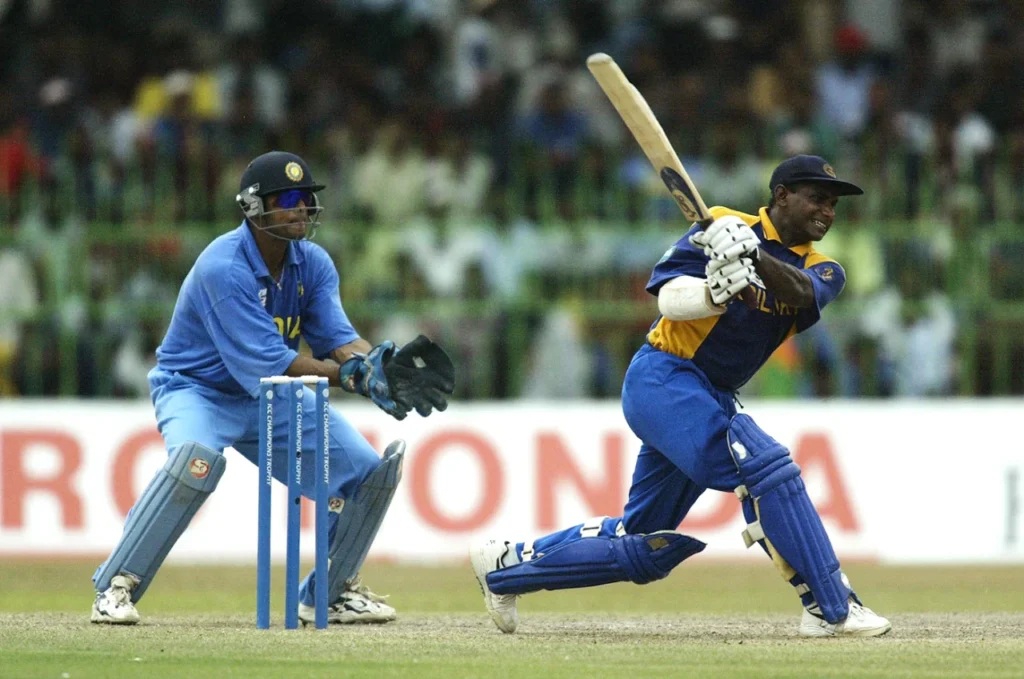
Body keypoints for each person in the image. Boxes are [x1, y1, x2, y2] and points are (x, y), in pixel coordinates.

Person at [470, 155, 891, 638]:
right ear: (781, 196)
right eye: (817, 198)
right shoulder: (722, 224)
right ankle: (830, 605)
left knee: (642, 543)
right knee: (764, 464)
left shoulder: (826, 268)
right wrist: (714, 291)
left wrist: (753, 257)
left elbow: (799, 293)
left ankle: (504, 569)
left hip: (710, 395)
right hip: (664, 376)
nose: (827, 212)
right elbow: (667, 297)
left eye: (833, 204)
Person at [91, 151, 455, 625]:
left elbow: (337, 339)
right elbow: (272, 360)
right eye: (287, 199)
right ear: (252, 207)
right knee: (196, 463)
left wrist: (374, 364)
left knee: (368, 472)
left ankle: (328, 593)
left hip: (264, 394)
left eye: (306, 199)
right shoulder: (223, 268)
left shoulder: (313, 263)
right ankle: (117, 585)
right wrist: (349, 377)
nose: (301, 208)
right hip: (197, 389)